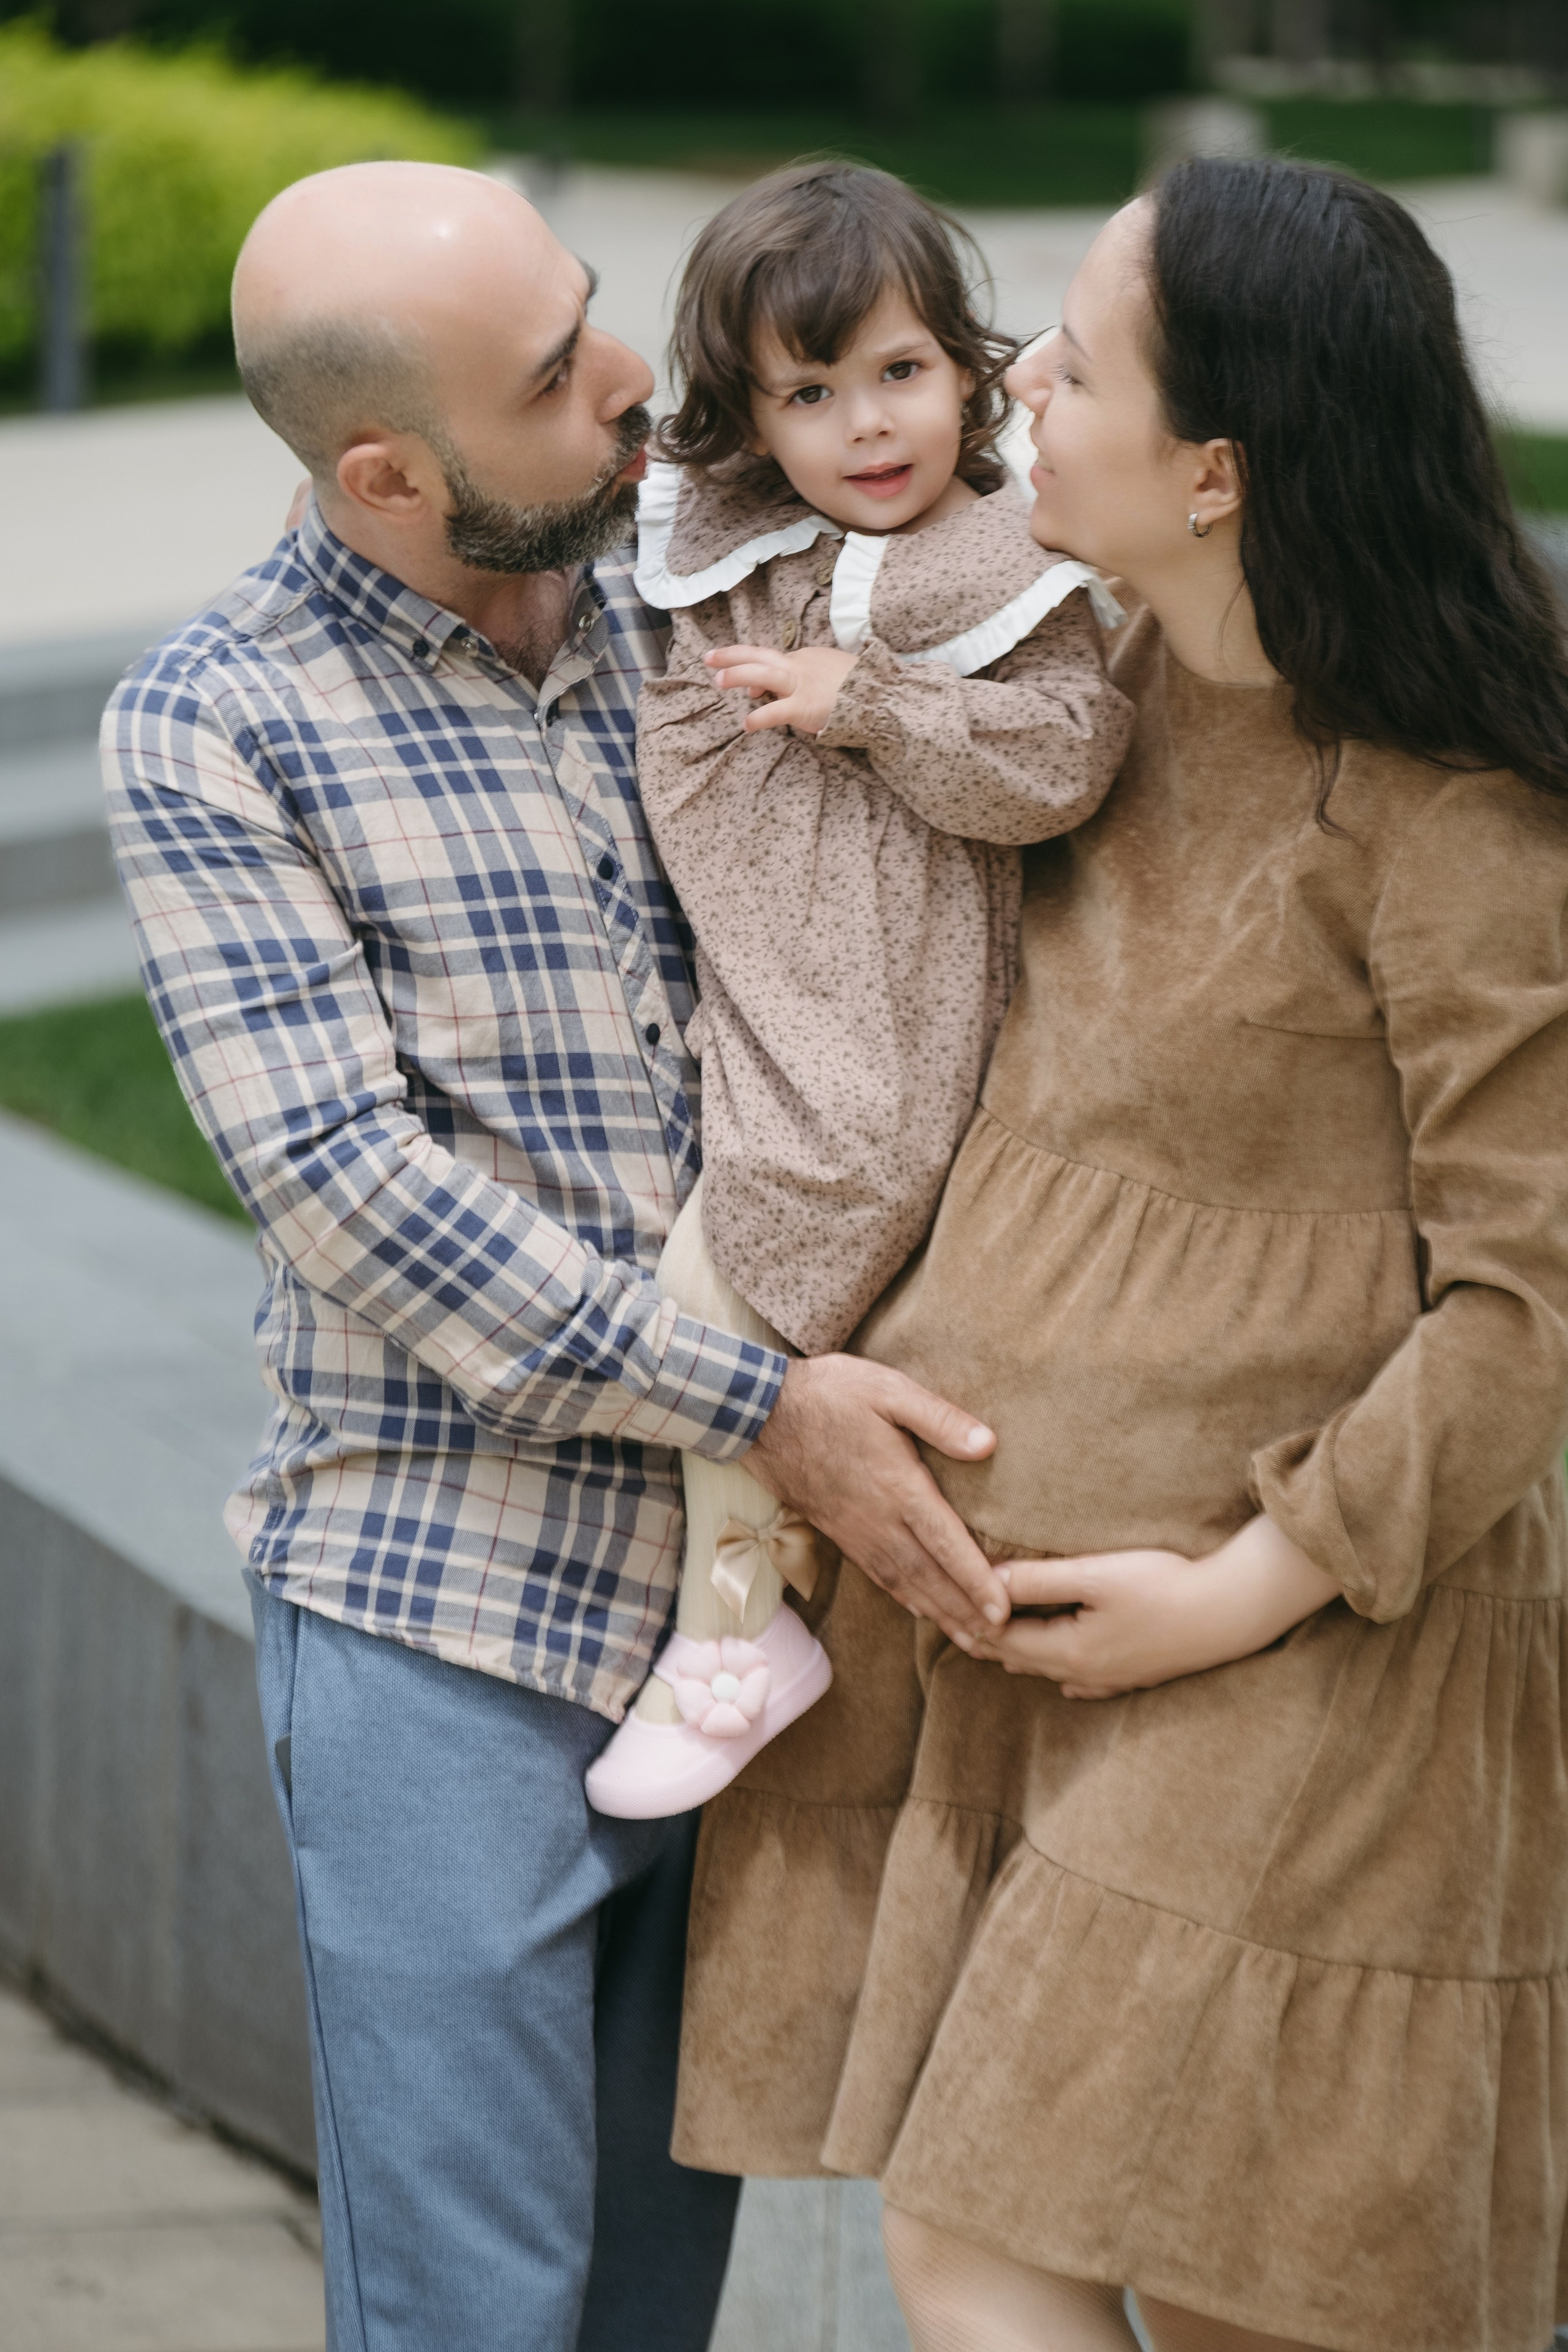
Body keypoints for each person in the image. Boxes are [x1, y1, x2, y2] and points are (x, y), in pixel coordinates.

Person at [100, 159, 1019, 2352]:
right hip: (444, 1607)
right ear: (390, 472)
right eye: (559, 373)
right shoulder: (216, 724)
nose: (637, 386)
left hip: (754, 1632)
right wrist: (764, 1405)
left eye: (598, 315)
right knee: (475, 2317)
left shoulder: (711, 609)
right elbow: (349, 1186)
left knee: (643, 2306)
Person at [669, 157, 1568, 2352]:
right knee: (1106, 2255)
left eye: (1074, 356)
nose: (1015, 387)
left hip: (1302, 1653)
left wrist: (1243, 1586)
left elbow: (1533, 1298)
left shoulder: (1454, 811)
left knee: (1134, 2268)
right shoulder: (1089, 708)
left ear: (1220, 468)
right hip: (1029, 1656)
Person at [584, 161, 1132, 1820]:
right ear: (754, 427)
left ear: (967, 371)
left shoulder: (991, 562)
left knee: (719, 1285)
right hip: (759, 1001)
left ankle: (735, 1639)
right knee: (726, 1281)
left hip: (886, 1029)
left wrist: (871, 704)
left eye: (899, 373)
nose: (868, 426)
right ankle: (778, 1576)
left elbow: (1067, 757)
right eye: (811, 395)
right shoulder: (735, 545)